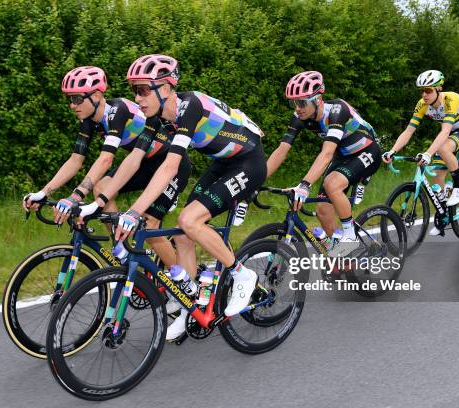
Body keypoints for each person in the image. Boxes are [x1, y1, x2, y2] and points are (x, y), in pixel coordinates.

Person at [114, 54, 267, 340]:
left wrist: (134, 212)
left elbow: (171, 165)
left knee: (189, 220)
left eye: (144, 89)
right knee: (183, 236)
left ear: (167, 87)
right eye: (134, 90)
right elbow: (134, 160)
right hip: (222, 163)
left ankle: (242, 274)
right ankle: (190, 306)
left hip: (249, 162)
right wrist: (99, 198)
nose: (138, 98)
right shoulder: (157, 118)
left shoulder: (190, 106)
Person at [23, 66, 190, 268]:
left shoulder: (118, 110)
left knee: (149, 225)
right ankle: (122, 249)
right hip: (142, 164)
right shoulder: (89, 121)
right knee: (101, 187)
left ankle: (184, 282)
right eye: (70, 99)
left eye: (77, 99)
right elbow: (75, 160)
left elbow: (105, 160)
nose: (72, 105)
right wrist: (43, 192)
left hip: (171, 165)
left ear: (96, 96)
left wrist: (75, 197)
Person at [266, 71, 381, 256]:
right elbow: (281, 150)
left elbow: (326, 153)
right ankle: (344, 255)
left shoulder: (336, 111)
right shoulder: (300, 117)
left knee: (332, 184)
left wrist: (304, 185)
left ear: (318, 99)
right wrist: (257, 180)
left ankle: (350, 236)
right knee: (322, 209)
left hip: (367, 151)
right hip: (343, 156)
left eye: (302, 102)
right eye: (293, 103)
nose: (297, 108)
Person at [382, 70, 459, 235]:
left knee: (443, 147)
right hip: (452, 133)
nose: (424, 94)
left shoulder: (450, 99)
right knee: (436, 176)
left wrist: (428, 154)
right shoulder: (422, 104)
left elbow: (445, 131)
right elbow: (408, 131)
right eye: (422, 90)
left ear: (439, 89)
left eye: (428, 90)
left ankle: (458, 185)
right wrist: (392, 150)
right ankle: (444, 216)